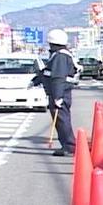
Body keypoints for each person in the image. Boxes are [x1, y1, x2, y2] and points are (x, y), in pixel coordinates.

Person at [35, 28, 79, 156]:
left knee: (62, 119)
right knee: (61, 119)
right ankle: (67, 144)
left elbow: (58, 77)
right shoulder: (59, 55)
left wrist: (58, 96)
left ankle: (69, 146)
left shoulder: (60, 56)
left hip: (60, 93)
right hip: (59, 92)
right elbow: (49, 73)